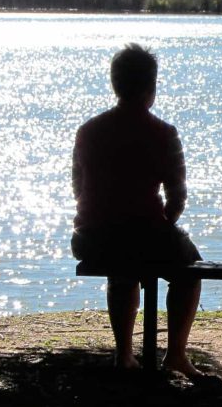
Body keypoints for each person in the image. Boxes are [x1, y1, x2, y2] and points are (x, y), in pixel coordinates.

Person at [71, 43, 202, 375]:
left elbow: (78, 189)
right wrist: (163, 225)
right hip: (142, 233)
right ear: (151, 88)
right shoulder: (163, 133)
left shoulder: (88, 132)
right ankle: (175, 354)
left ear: (115, 85)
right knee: (192, 271)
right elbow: (176, 198)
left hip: (91, 238)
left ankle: (125, 354)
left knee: (122, 271)